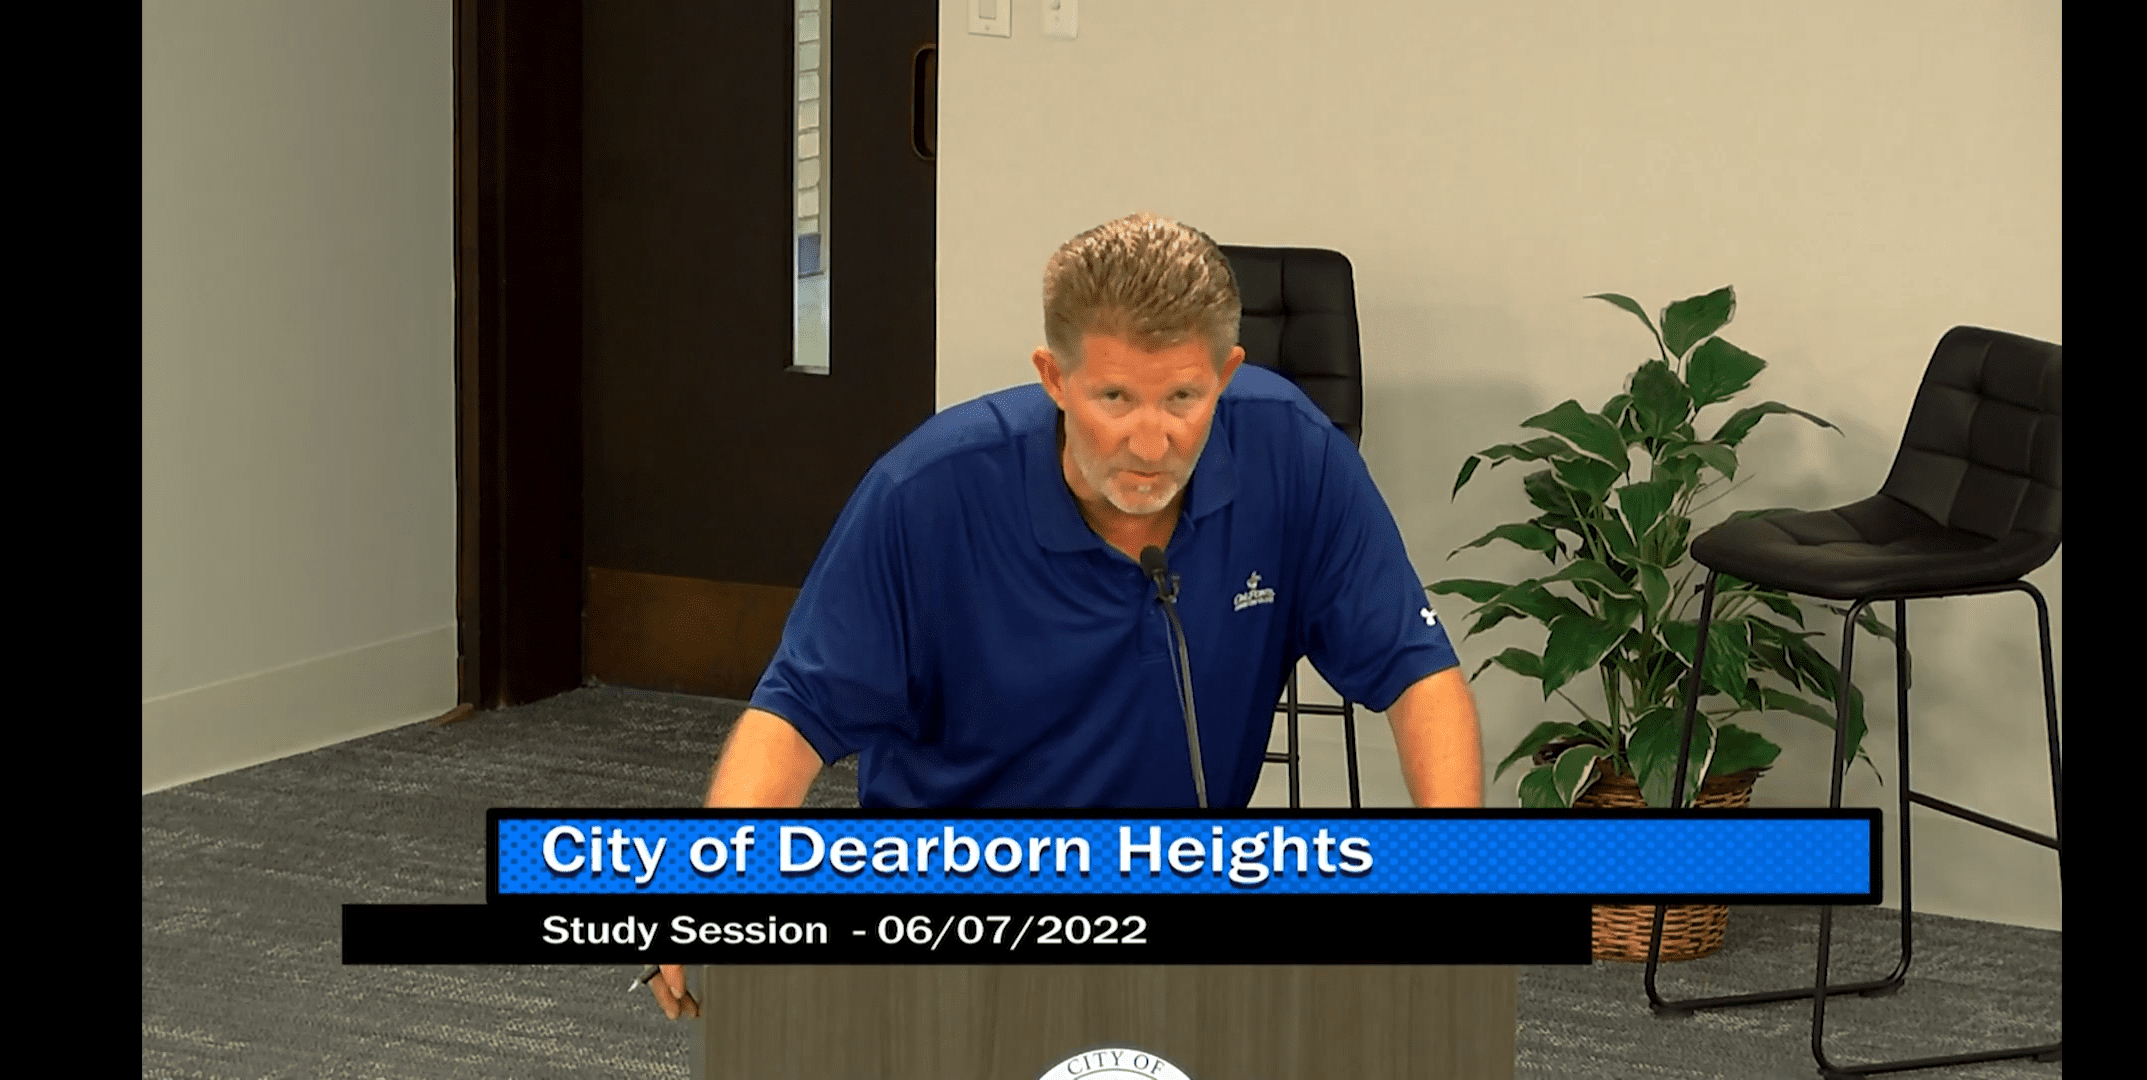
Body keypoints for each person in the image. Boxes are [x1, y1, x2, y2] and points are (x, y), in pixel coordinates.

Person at [650, 212, 1484, 1019]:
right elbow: (796, 713)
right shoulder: (928, 492)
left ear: (1226, 374)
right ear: (1054, 378)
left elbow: (1417, 673)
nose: (1150, 445)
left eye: (1183, 397)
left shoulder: (1291, 454)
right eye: (1114, 398)